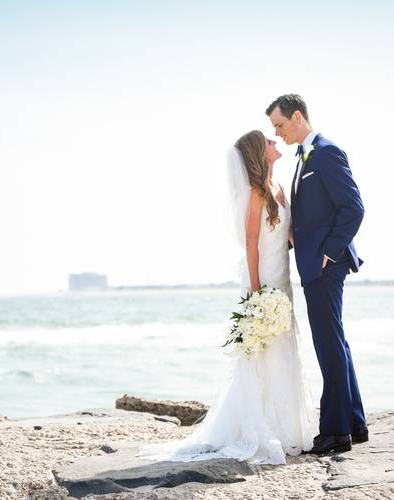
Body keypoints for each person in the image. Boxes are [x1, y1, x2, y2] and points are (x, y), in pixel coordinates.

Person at [136, 130, 317, 465]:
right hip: (264, 282)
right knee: (265, 353)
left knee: (285, 348)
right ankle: (264, 426)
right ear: (258, 154)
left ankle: (291, 426)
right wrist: (255, 291)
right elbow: (250, 244)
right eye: (268, 142)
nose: (275, 144)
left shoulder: (278, 189)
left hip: (284, 279)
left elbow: (287, 234)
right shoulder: (255, 194)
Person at [266, 93, 368, 455]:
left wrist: (327, 253)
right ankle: (354, 423)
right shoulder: (303, 158)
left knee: (328, 345)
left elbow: (353, 209)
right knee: (335, 342)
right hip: (313, 263)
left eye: (279, 125)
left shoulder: (325, 152)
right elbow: (313, 215)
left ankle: (335, 433)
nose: (277, 133)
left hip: (326, 266)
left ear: (297, 117)